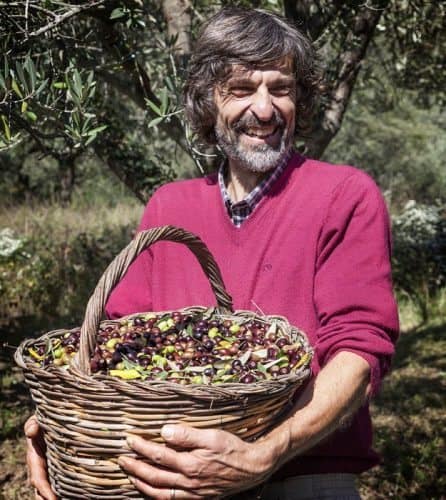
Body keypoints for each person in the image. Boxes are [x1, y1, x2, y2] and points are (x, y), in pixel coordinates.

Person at [25, 7, 399, 500]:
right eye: (241, 89)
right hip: (172, 472)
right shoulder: (169, 206)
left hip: (303, 470)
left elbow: (359, 347)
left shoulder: (344, 195)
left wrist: (264, 451)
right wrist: (57, 418)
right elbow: (112, 343)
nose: (264, 109)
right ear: (206, 100)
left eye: (280, 88)